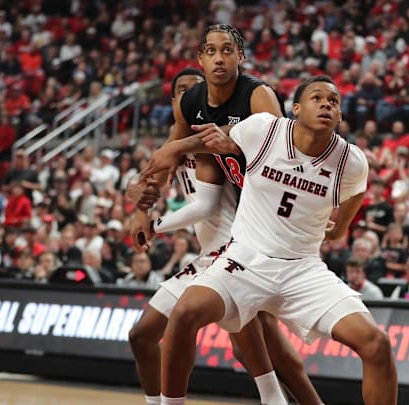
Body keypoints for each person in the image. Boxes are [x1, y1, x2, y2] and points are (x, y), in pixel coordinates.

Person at [140, 76, 397, 404]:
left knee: (377, 344)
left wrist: (341, 227)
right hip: (245, 260)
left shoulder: (351, 161)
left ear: (340, 117)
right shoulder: (265, 129)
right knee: (185, 312)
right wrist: (177, 146)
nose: (326, 105)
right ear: (296, 108)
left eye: (333, 102)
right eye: (317, 98)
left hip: (302, 270)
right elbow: (218, 137)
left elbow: (355, 193)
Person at [128, 30, 321, 405]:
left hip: (268, 224)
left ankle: (274, 399)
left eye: (227, 51)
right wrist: (140, 210)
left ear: (239, 57)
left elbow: (277, 146)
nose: (219, 59)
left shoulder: (257, 95)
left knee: (256, 338)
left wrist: (156, 218)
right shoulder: (191, 113)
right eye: (211, 52)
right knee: (246, 341)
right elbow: (161, 162)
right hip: (225, 241)